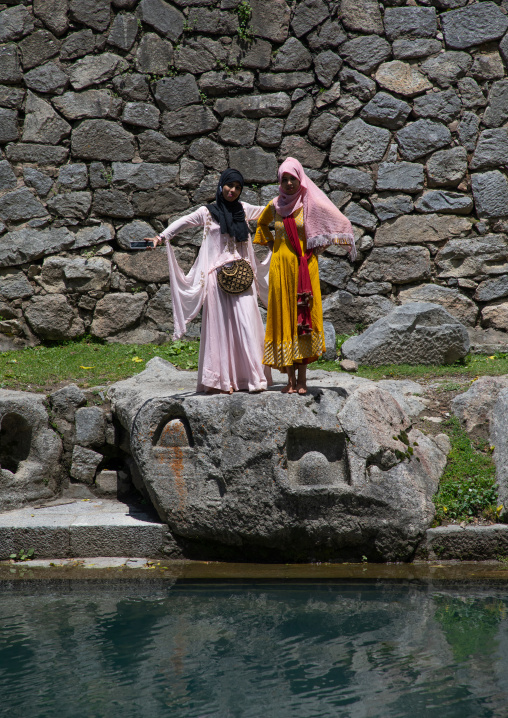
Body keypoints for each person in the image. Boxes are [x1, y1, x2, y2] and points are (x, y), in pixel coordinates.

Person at [146, 169, 271, 394]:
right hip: (217, 278)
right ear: (221, 186)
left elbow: (270, 211)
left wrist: (297, 198)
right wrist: (160, 237)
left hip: (243, 278)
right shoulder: (207, 213)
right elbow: (182, 222)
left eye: (237, 187)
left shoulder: (243, 210)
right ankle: (223, 382)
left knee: (246, 324)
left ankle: (253, 378)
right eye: (229, 186)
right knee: (220, 330)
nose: (232, 191)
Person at [254, 157, 356, 395]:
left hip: (304, 266)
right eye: (285, 179)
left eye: (293, 179)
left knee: (303, 318)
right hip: (280, 269)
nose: (289, 184)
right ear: (280, 182)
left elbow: (339, 223)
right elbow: (261, 226)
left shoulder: (309, 203)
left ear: (300, 179)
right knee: (285, 318)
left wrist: (320, 248)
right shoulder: (275, 205)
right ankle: (289, 379)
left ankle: (302, 380)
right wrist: (273, 246)